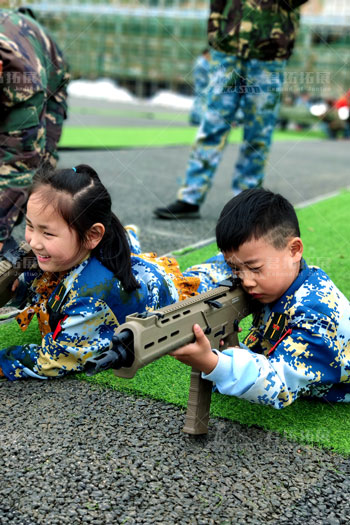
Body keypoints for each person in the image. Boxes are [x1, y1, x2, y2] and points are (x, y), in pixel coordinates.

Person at [0, 164, 231, 380]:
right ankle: (130, 240)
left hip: (162, 290)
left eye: (47, 233)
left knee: (221, 270)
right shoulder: (59, 255)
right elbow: (45, 293)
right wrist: (18, 291)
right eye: (30, 226)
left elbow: (54, 360)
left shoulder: (91, 295)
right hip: (119, 265)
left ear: (92, 235)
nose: (34, 242)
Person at [170, 189, 350, 408]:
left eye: (255, 268)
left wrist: (212, 363)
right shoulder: (281, 277)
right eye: (235, 269)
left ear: (294, 250)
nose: (246, 281)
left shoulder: (316, 315)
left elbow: (278, 387)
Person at [154, 0, 308, 220]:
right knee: (212, 124)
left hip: (269, 53)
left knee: (258, 133)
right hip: (229, 50)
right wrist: (214, 31)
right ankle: (189, 197)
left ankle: (247, 202)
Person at [0, 7, 69, 252]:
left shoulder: (23, 83)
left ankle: (40, 247)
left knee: (40, 170)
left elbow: (19, 163)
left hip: (47, 74)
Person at [189, 49, 211, 126]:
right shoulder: (202, 62)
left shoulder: (200, 61)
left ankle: (195, 119)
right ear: (206, 54)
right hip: (202, 84)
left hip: (200, 84)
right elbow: (207, 72)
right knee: (200, 102)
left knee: (198, 101)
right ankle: (197, 119)